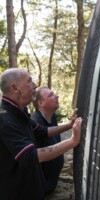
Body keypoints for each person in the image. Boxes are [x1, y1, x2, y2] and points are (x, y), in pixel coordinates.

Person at [0, 68, 82, 200]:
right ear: (15, 88)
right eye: (29, 81)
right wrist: (72, 141)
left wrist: (69, 125)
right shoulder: (5, 119)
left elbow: (42, 131)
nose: (34, 85)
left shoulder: (19, 112)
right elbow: (29, 155)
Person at [31, 86, 71, 194]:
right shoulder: (35, 123)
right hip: (41, 189)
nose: (57, 96)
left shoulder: (52, 117)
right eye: (51, 95)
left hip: (51, 184)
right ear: (40, 103)